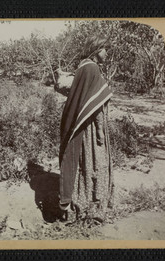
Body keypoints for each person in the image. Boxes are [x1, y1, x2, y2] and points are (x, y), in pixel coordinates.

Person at [58, 36, 114, 222]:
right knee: (95, 163)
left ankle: (75, 206)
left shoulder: (82, 66)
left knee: (80, 164)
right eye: (105, 49)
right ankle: (92, 207)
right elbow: (96, 105)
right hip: (89, 125)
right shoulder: (93, 68)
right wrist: (100, 131)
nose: (107, 53)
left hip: (79, 122)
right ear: (97, 49)